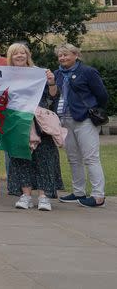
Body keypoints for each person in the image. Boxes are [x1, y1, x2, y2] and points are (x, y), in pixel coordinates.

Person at [5, 43, 64, 211]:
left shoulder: (39, 73)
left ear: (28, 55)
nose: (19, 56)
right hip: (17, 123)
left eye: (23, 53)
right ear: (11, 56)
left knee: (44, 158)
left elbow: (52, 97)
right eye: (15, 53)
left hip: (40, 123)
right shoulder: (6, 75)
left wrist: (52, 82)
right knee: (20, 158)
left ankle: (44, 197)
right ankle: (26, 195)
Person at [52, 43, 108, 207]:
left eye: (66, 54)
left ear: (76, 55)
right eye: (60, 55)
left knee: (91, 158)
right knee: (73, 159)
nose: (62, 58)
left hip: (84, 120)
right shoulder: (57, 74)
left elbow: (102, 95)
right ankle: (78, 192)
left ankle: (98, 196)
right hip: (64, 120)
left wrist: (91, 109)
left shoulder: (88, 72)